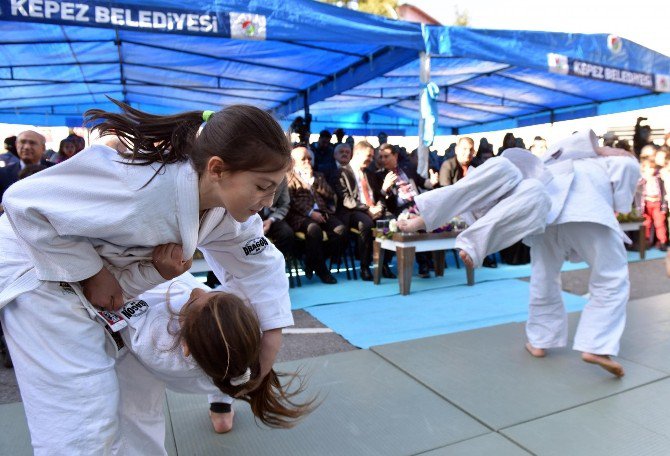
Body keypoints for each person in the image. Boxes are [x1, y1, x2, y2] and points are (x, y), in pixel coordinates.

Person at [0, 100, 294, 454]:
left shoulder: (227, 213)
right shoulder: (137, 185)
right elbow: (22, 203)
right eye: (262, 186)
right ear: (217, 169)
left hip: (110, 289)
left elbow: (260, 262)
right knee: (84, 421)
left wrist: (271, 334)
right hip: (38, 275)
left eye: (275, 187)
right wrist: (92, 272)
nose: (269, 199)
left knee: (139, 397)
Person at [399, 130, 639, 377]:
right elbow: (626, 172)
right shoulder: (613, 160)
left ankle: (539, 341)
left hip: (548, 214)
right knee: (611, 276)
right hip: (589, 212)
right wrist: (621, 201)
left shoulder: (552, 158)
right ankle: (597, 345)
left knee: (544, 276)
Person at [286, 145, 344, 284]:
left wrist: (314, 181)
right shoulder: (288, 177)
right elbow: (290, 202)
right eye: (303, 159)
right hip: (300, 215)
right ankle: (322, 271)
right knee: (314, 230)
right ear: (293, 161)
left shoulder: (318, 175)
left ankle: (312, 261)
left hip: (322, 212)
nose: (307, 162)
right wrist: (310, 213)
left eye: (309, 159)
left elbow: (330, 194)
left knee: (340, 229)